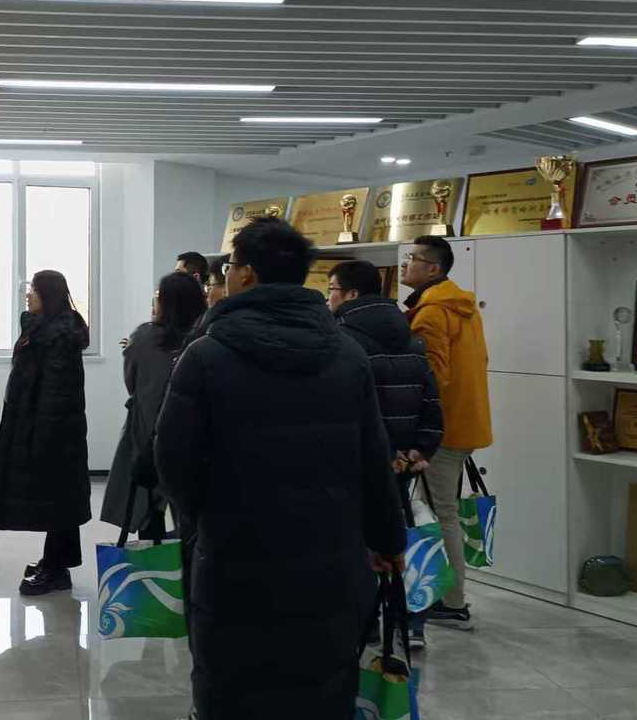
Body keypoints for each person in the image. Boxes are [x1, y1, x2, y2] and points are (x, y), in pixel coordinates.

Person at [155, 217, 405, 719]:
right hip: (330, 559)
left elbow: (173, 458)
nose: (224, 277)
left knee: (233, 682)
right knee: (320, 684)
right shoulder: (347, 354)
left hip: (234, 558)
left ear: (246, 274)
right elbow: (373, 459)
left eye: (229, 267)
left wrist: (204, 520)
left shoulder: (206, 355)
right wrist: (386, 539)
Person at [328, 259, 443, 650]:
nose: (328, 299)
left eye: (331, 290)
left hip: (362, 461)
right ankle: (411, 623)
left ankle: (367, 626)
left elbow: (352, 408)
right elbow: (432, 401)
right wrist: (419, 450)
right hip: (404, 464)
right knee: (402, 537)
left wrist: (385, 452)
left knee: (359, 541)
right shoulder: (411, 336)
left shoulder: (343, 342)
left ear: (351, 294)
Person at [401, 235, 493, 631]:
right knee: (439, 510)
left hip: (443, 429)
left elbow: (431, 377)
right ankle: (443, 595)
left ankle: (452, 603)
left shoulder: (432, 312)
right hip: (465, 421)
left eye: (413, 258)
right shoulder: (462, 306)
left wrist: (416, 431)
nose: (406, 264)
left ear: (433, 269)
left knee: (441, 514)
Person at [0, 270, 91, 596]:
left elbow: (56, 394)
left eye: (33, 289)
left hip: (55, 430)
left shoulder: (59, 337)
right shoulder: (43, 328)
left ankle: (56, 571)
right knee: (59, 497)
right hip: (42, 424)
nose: (28, 294)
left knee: (56, 499)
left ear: (48, 295)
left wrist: (42, 439)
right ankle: (56, 560)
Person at [102, 272, 207, 540]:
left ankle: (155, 564)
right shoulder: (206, 338)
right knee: (194, 519)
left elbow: (132, 383)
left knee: (149, 512)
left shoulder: (144, 338)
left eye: (159, 296)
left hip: (149, 436)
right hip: (196, 440)